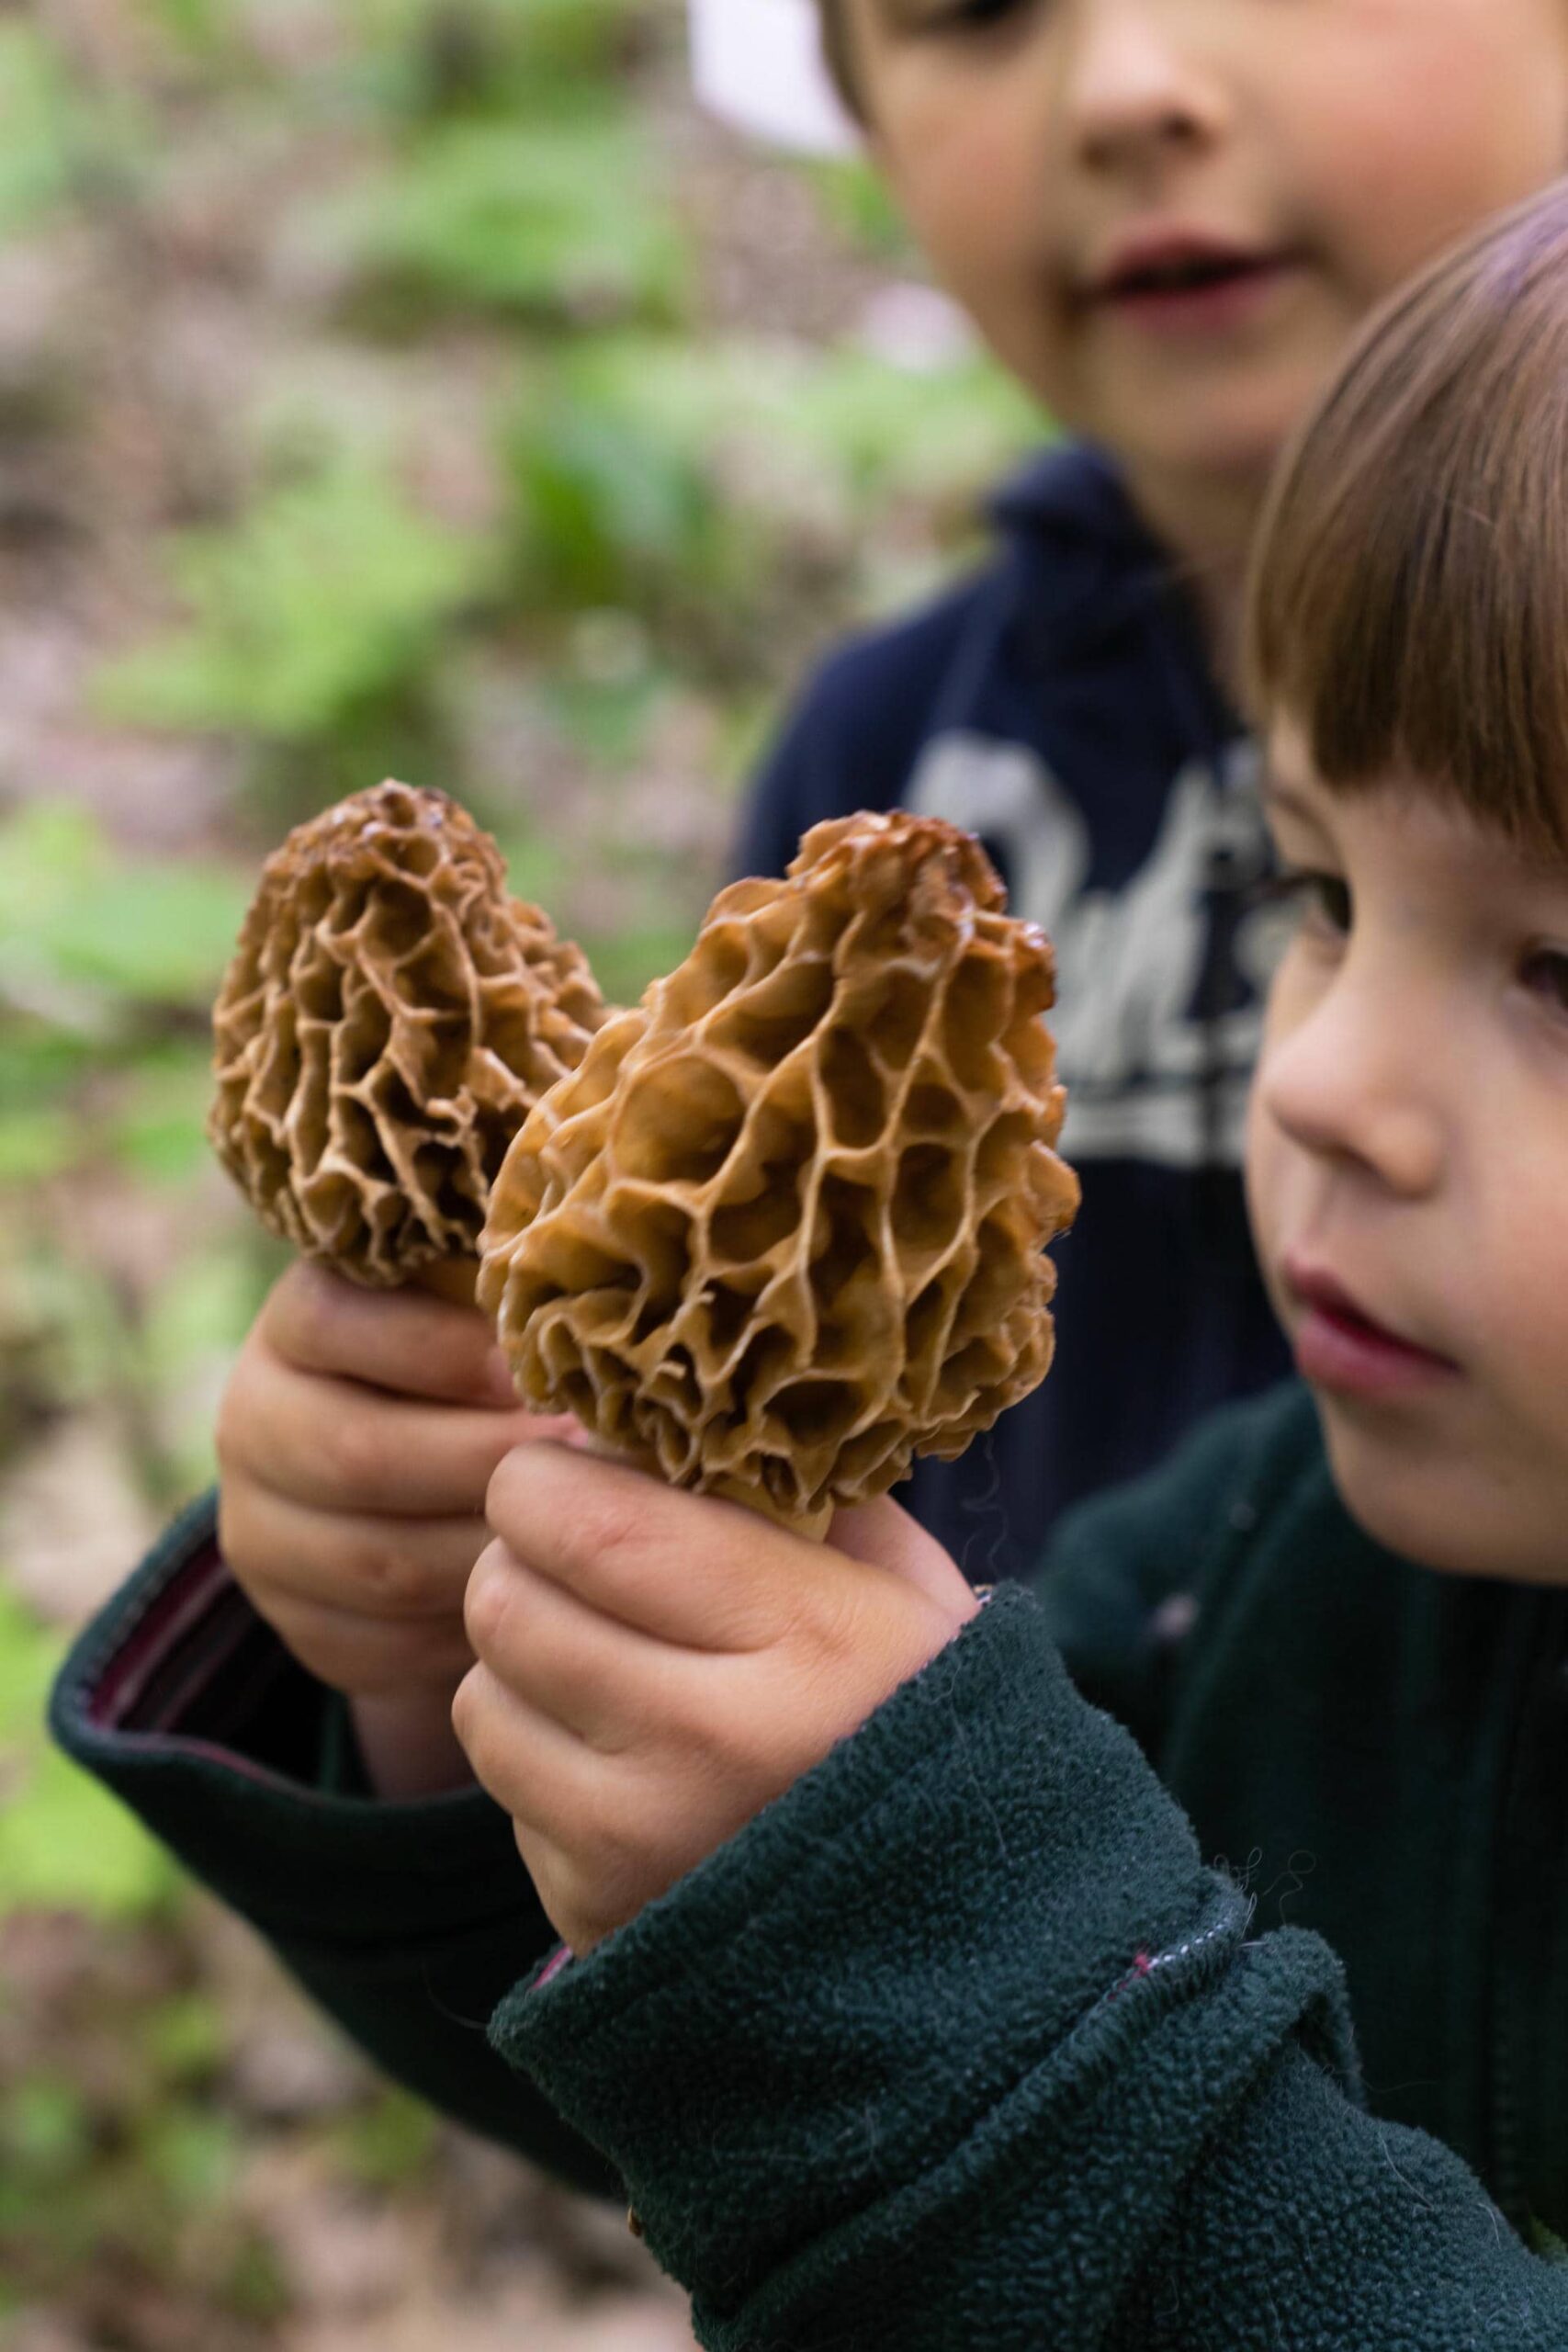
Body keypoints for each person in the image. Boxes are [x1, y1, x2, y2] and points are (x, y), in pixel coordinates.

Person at [54, 178, 1568, 2339]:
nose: (1321, 1076)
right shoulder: (1241, 1570)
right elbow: (748, 2114)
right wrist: (422, 1686)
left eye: (1556, 970)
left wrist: (1002, 2022)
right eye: (1312, 892)